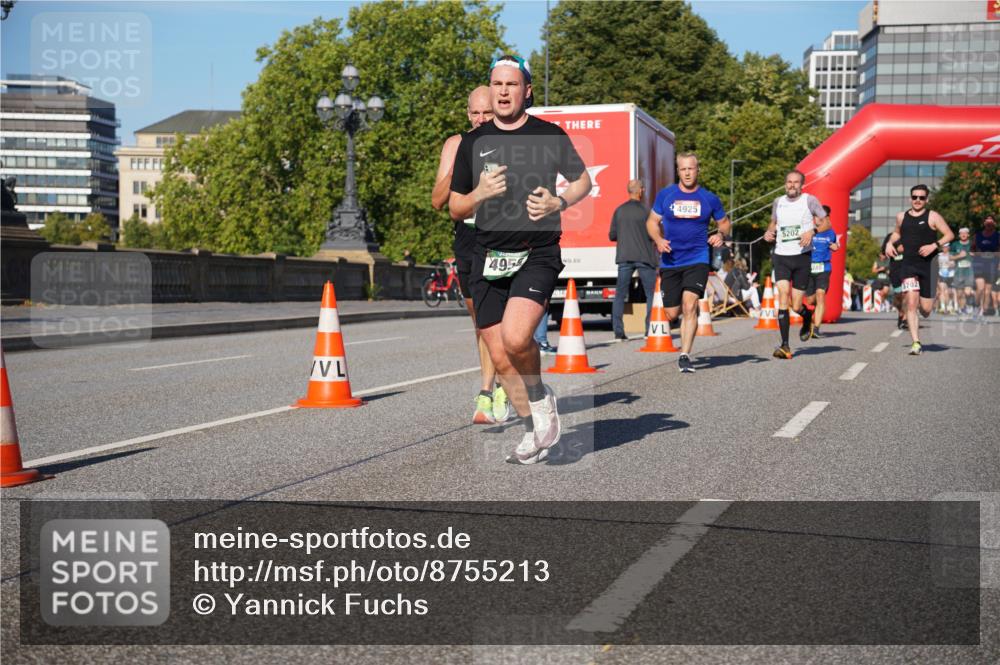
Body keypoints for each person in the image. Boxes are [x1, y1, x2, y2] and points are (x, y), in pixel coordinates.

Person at [449, 54, 592, 464]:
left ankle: (540, 397)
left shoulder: (549, 135)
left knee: (516, 338)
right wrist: (478, 194)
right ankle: (533, 427)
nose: (504, 91)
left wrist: (558, 201)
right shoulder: (472, 143)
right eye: (497, 84)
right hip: (487, 256)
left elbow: (584, 180)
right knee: (498, 355)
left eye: (512, 84)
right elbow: (456, 206)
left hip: (536, 252)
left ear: (527, 90)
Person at [431, 85, 509, 425]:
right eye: (474, 113)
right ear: (467, 114)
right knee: (480, 321)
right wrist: (462, 162)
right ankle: (501, 382)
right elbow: (437, 201)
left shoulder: (510, 141)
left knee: (498, 320)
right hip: (467, 236)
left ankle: (488, 390)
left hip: (502, 236)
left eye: (487, 113)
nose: (480, 120)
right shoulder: (454, 144)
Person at [645, 153, 731, 372]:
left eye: (691, 169)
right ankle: (685, 320)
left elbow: (724, 223)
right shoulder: (666, 195)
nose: (687, 173)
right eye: (683, 169)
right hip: (671, 260)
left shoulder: (709, 198)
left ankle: (685, 354)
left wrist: (720, 235)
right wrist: (658, 239)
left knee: (690, 305)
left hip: (698, 258)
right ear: (678, 171)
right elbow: (652, 222)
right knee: (672, 314)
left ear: (697, 170)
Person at [764, 170, 827, 359]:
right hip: (781, 255)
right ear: (785, 184)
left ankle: (806, 316)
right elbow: (773, 223)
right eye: (789, 182)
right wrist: (769, 233)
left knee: (797, 305)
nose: (792, 185)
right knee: (783, 296)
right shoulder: (778, 202)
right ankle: (785, 345)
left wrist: (812, 232)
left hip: (802, 257)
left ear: (802, 185)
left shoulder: (809, 200)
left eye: (796, 182)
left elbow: (827, 223)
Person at [885, 184, 954, 355]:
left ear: (926, 199)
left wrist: (934, 245)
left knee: (926, 309)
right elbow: (896, 233)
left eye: (921, 198)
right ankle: (916, 342)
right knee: (911, 303)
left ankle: (931, 300)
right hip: (908, 265)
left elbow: (949, 234)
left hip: (928, 265)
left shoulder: (933, 216)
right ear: (910, 198)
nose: (917, 200)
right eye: (915, 197)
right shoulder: (901, 217)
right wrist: (888, 243)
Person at [610, 179, 657, 341]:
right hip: (644, 257)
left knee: (620, 294)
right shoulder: (646, 211)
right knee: (651, 294)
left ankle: (618, 332)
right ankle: (649, 329)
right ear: (641, 191)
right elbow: (655, 233)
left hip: (624, 257)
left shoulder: (619, 211)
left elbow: (612, 236)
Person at [802, 211, 839, 339]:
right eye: (815, 217)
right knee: (810, 300)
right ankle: (811, 315)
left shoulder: (830, 233)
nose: (817, 219)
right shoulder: (808, 231)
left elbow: (836, 245)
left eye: (820, 217)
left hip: (824, 268)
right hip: (809, 268)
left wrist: (835, 246)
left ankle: (816, 329)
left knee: (820, 295)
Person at [973, 214, 998, 318]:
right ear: (984, 224)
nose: (988, 224)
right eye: (987, 222)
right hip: (979, 265)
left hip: (992, 265)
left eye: (991, 222)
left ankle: (983, 311)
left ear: (994, 224)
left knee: (987, 292)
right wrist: (977, 253)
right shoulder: (978, 235)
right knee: (980, 289)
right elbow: (972, 250)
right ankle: (976, 305)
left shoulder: (998, 236)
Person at [950, 227, 975, 315]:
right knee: (960, 293)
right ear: (959, 235)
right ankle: (962, 309)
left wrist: (975, 255)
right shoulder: (955, 244)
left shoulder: (972, 244)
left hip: (969, 271)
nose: (963, 234)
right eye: (961, 233)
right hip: (958, 272)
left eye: (965, 233)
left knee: (967, 292)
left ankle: (970, 304)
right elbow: (950, 257)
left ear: (968, 235)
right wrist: (959, 256)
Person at [935, 244, 954, 314]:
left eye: (946, 247)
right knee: (942, 290)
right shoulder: (939, 256)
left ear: (949, 248)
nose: (944, 248)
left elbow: (955, 264)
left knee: (949, 292)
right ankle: (943, 308)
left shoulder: (952, 255)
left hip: (951, 275)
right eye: (943, 247)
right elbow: (935, 266)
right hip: (942, 275)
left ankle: (949, 306)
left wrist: (951, 264)